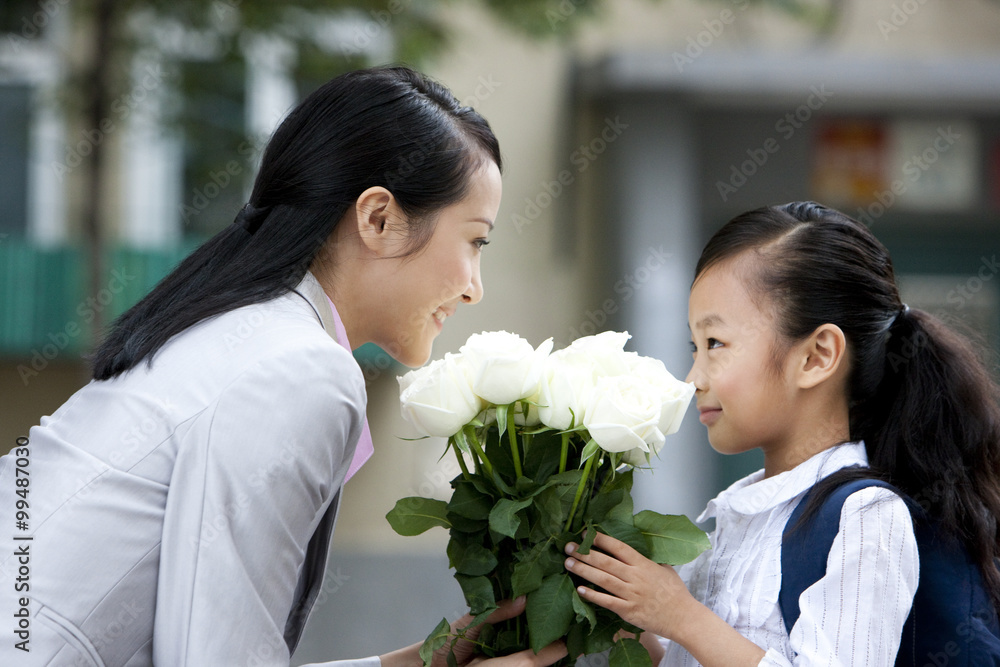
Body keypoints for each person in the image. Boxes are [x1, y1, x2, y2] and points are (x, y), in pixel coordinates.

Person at [0, 65, 567, 667]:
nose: (474, 288)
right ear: (378, 218)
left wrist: (421, 664)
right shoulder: (301, 370)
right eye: (475, 240)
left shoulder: (235, 328)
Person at [562, 201, 1000, 666]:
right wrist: (633, 619)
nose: (693, 378)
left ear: (816, 356)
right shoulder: (741, 512)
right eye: (696, 345)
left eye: (716, 344)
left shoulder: (866, 514)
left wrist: (682, 616)